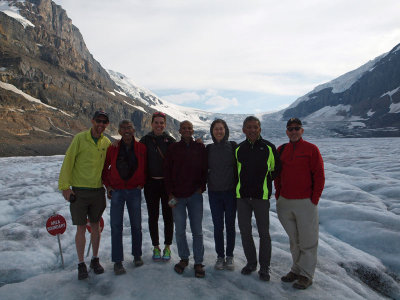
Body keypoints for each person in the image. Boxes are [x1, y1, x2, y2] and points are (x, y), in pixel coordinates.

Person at [58, 110, 111, 280]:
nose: (101, 124)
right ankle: (81, 263)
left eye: (104, 122)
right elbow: (68, 160)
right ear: (92, 120)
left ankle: (95, 259)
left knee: (95, 227)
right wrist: (65, 187)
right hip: (79, 191)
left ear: (107, 124)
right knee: (81, 228)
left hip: (97, 191)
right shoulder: (80, 139)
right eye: (98, 121)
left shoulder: (107, 142)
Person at [274, 117, 325, 290]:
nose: (294, 131)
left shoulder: (311, 149)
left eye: (297, 128)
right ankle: (296, 270)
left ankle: (306, 275)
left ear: (302, 131)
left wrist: (314, 199)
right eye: (290, 129)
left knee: (308, 241)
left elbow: (319, 175)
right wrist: (279, 195)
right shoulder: (281, 150)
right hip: (286, 202)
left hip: (305, 202)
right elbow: (278, 176)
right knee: (294, 241)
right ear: (286, 132)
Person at [235, 116, 279, 282]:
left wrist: (264, 182)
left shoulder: (268, 147)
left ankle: (265, 267)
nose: (252, 130)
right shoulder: (239, 149)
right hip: (243, 197)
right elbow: (235, 172)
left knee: (264, 233)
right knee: (245, 232)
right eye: (249, 127)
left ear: (260, 129)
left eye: (255, 127)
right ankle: (251, 263)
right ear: (244, 130)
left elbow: (276, 170)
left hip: (261, 197)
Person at [102, 119, 147, 275]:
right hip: (117, 192)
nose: (127, 130)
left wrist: (142, 182)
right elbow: (104, 168)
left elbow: (147, 166)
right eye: (123, 128)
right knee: (116, 226)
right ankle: (118, 261)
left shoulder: (141, 148)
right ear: (119, 131)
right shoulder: (112, 148)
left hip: (134, 191)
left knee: (136, 225)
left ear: (134, 130)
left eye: (129, 127)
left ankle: (137, 255)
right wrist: (108, 185)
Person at [164, 120, 207, 278]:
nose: (187, 130)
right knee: (180, 230)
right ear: (180, 131)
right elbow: (167, 171)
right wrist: (170, 193)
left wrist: (202, 186)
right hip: (177, 196)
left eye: (189, 128)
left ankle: (198, 262)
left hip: (195, 195)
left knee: (197, 231)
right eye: (184, 128)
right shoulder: (173, 148)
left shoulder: (200, 147)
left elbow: (204, 168)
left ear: (193, 130)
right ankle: (183, 258)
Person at [139, 112, 175, 261]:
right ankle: (155, 246)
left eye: (162, 123)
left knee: (168, 216)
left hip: (167, 185)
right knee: (153, 216)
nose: (159, 125)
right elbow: (137, 155)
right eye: (156, 122)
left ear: (165, 125)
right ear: (151, 123)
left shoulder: (170, 141)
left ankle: (167, 247)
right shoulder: (145, 140)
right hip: (151, 184)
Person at [206, 119, 237, 270]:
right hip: (214, 194)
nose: (219, 131)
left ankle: (229, 256)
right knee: (218, 226)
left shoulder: (233, 146)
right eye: (216, 129)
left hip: (230, 193)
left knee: (230, 226)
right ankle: (220, 256)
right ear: (212, 131)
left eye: (221, 128)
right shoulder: (208, 148)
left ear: (226, 130)